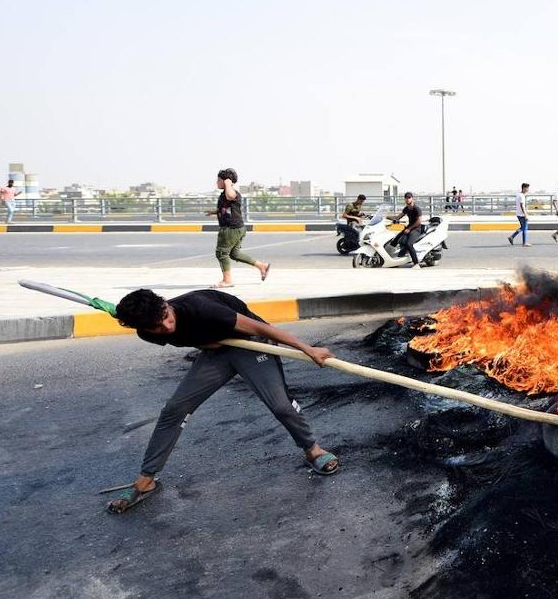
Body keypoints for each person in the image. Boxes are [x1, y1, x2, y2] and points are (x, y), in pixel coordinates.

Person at [105, 288, 340, 514]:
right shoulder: (147, 331)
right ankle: (146, 479)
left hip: (252, 343)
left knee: (281, 406)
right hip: (216, 352)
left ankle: (314, 451)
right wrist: (209, 344)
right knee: (175, 409)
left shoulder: (201, 308)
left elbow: (261, 328)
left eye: (166, 317)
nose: (166, 326)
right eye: (157, 326)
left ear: (165, 304)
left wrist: (308, 349)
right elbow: (185, 337)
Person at [206, 168, 269, 288]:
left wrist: (228, 183)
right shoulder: (224, 194)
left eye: (219, 180)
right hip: (237, 228)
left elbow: (230, 196)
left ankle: (227, 280)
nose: (216, 182)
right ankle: (262, 266)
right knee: (234, 254)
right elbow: (227, 208)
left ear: (226, 181)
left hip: (231, 229)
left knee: (221, 253)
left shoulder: (232, 193)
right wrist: (214, 212)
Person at [386, 192, 423, 258]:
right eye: (406, 198)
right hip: (409, 227)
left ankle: (416, 262)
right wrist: (387, 217)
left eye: (409, 198)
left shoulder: (416, 208)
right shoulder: (406, 208)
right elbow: (398, 217)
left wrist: (409, 229)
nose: (407, 199)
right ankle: (393, 257)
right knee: (395, 240)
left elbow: (419, 221)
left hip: (416, 229)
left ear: (412, 198)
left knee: (409, 244)